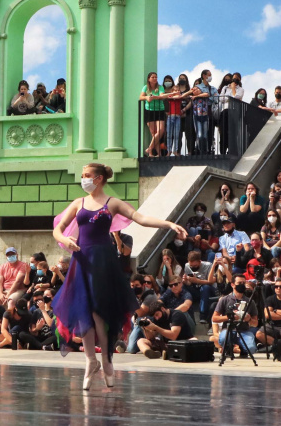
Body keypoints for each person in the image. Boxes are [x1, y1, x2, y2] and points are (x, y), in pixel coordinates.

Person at [52, 162, 187, 389]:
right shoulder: (78, 203)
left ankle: (106, 361)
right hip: (82, 260)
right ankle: (90, 361)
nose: (83, 178)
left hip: (103, 262)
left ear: (99, 178)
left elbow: (140, 218)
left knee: (100, 314)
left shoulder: (112, 203)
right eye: (82, 175)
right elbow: (58, 229)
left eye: (87, 175)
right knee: (83, 310)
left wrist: (169, 224)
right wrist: (65, 239)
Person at [211, 275, 259, 356]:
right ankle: (228, 347)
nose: (242, 285)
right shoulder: (224, 300)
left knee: (251, 349)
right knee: (223, 339)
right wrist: (229, 317)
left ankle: (243, 349)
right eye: (239, 283)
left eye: (243, 283)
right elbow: (214, 318)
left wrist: (249, 319)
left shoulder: (250, 301)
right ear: (232, 284)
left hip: (244, 330)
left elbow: (255, 323)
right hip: (229, 329)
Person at [139, 72, 166, 157]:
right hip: (149, 111)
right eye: (153, 77)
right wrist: (147, 97)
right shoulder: (146, 87)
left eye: (156, 77)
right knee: (153, 133)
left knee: (160, 130)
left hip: (160, 110)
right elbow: (141, 97)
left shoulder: (160, 87)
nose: (155, 78)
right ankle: (157, 153)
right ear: (149, 79)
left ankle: (150, 148)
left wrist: (154, 97)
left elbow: (162, 96)